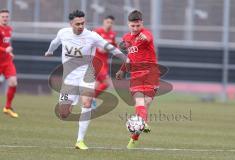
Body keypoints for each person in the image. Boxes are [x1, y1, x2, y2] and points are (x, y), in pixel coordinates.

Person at [45, 10, 126, 150]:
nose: (81, 26)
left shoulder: (92, 36)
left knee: (87, 101)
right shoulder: (63, 33)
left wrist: (126, 59)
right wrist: (50, 51)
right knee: (64, 114)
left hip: (87, 73)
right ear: (71, 24)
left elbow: (110, 48)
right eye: (78, 24)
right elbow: (55, 43)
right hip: (69, 77)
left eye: (83, 23)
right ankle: (72, 103)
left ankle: (80, 141)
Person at [116, 10, 160, 149]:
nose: (135, 28)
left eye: (138, 25)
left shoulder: (146, 34)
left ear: (142, 23)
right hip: (136, 75)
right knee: (140, 101)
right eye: (132, 26)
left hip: (150, 74)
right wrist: (122, 69)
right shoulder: (126, 37)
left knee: (145, 104)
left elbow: (146, 39)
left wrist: (140, 38)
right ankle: (140, 127)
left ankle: (133, 140)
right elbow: (129, 56)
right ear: (128, 24)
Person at [0, 9, 18, 118]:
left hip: (7, 61)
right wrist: (4, 50)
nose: (5, 18)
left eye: (6, 16)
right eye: (3, 16)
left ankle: (7, 107)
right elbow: (3, 48)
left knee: (13, 82)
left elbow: (6, 45)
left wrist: (10, 53)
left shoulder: (9, 29)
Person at [93, 15, 117, 98]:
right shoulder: (97, 32)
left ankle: (90, 101)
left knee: (98, 83)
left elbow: (114, 47)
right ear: (104, 22)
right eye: (108, 22)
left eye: (111, 23)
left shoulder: (112, 34)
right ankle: (91, 98)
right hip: (96, 61)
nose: (109, 24)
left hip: (105, 62)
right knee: (106, 83)